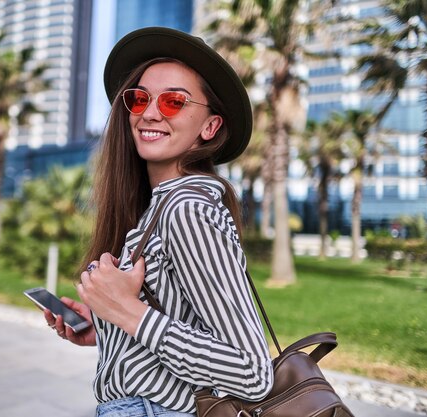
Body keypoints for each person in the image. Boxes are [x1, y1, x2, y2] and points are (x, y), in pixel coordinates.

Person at [44, 27, 274, 417]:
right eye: (140, 98)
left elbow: (251, 370)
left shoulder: (187, 207)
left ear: (210, 127)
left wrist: (126, 312)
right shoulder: (157, 208)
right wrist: (107, 329)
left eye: (173, 102)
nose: (150, 112)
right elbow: (182, 327)